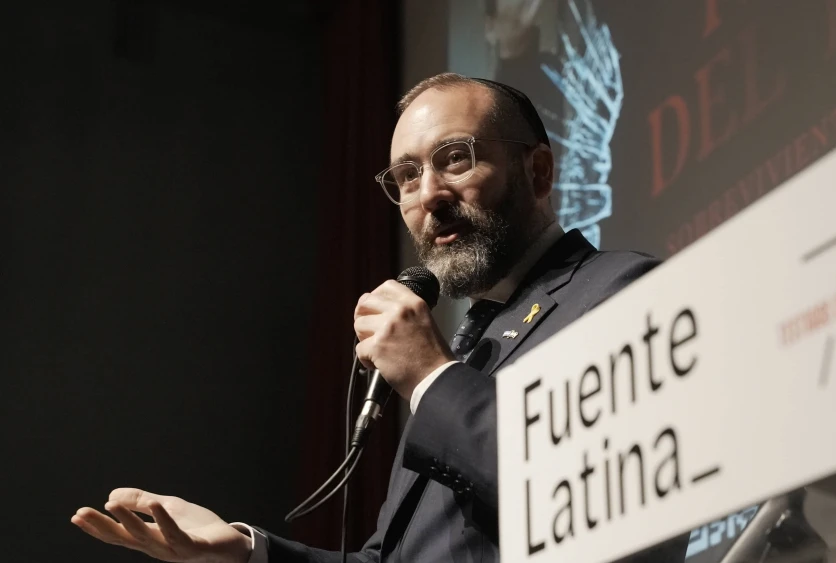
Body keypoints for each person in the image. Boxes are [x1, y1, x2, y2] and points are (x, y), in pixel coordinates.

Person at [71, 73, 689, 562]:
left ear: (539, 170)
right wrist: (249, 553)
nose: (429, 195)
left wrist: (429, 376)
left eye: (455, 158)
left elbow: (596, 489)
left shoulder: (619, 290)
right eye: (407, 176)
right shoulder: (463, 353)